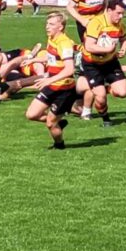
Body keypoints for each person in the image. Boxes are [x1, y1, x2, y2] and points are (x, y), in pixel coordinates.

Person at [24, 12, 78, 149]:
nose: (47, 27)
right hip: (52, 85)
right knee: (31, 114)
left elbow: (69, 69)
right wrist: (34, 59)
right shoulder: (51, 38)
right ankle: (58, 124)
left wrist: (48, 80)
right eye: (47, 24)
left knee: (50, 123)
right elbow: (51, 57)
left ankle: (59, 145)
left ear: (61, 27)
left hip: (64, 90)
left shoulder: (65, 43)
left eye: (52, 24)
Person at [76, 0, 126, 126]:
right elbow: (89, 46)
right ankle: (106, 118)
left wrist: (123, 49)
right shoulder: (96, 23)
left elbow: (124, 39)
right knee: (100, 98)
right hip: (92, 64)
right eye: (118, 13)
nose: (121, 16)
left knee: (122, 93)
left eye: (123, 13)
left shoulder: (119, 25)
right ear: (109, 10)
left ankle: (98, 88)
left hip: (110, 62)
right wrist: (108, 49)